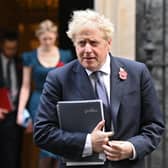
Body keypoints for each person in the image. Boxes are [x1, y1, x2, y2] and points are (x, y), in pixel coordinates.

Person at [33, 9, 165, 168]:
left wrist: (131, 148)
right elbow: (42, 133)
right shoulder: (58, 78)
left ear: (108, 43)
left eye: (93, 43)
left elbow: (154, 126)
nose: (87, 50)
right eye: (81, 43)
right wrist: (88, 142)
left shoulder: (137, 73)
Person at [17, 19, 73, 168]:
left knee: (59, 142)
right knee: (45, 144)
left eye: (50, 38)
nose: (47, 41)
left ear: (55, 36)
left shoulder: (66, 55)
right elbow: (25, 86)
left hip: (60, 101)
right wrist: (21, 111)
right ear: (38, 37)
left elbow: (69, 83)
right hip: (39, 101)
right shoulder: (30, 57)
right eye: (44, 39)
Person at [0, 32, 22, 168]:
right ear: (2, 46)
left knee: (12, 154)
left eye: (14, 48)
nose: (11, 51)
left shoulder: (19, 62)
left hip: (13, 115)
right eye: (8, 48)